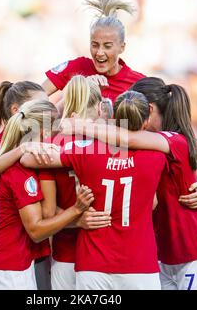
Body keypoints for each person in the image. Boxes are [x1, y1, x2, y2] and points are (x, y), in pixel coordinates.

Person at [61, 77, 197, 289]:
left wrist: (80, 125)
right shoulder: (145, 145)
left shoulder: (171, 139)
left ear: (149, 109)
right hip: (164, 259)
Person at [21, 91, 168, 290]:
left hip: (93, 262)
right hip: (140, 264)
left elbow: (27, 159)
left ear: (115, 118)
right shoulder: (158, 155)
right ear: (147, 119)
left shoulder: (88, 150)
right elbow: (154, 203)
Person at [0, 99, 95, 290]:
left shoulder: (7, 159)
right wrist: (76, 211)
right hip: (11, 270)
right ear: (44, 132)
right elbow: (36, 231)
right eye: (55, 129)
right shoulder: (20, 172)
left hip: (3, 264)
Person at [39, 75, 112, 290]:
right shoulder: (113, 142)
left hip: (66, 252)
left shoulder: (49, 147)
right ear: (100, 108)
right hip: (105, 252)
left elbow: (48, 211)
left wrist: (75, 220)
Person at [42, 0, 145, 105]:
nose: (99, 52)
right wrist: (80, 91)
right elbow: (37, 95)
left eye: (107, 46)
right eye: (95, 45)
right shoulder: (78, 67)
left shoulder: (138, 83)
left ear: (122, 47)